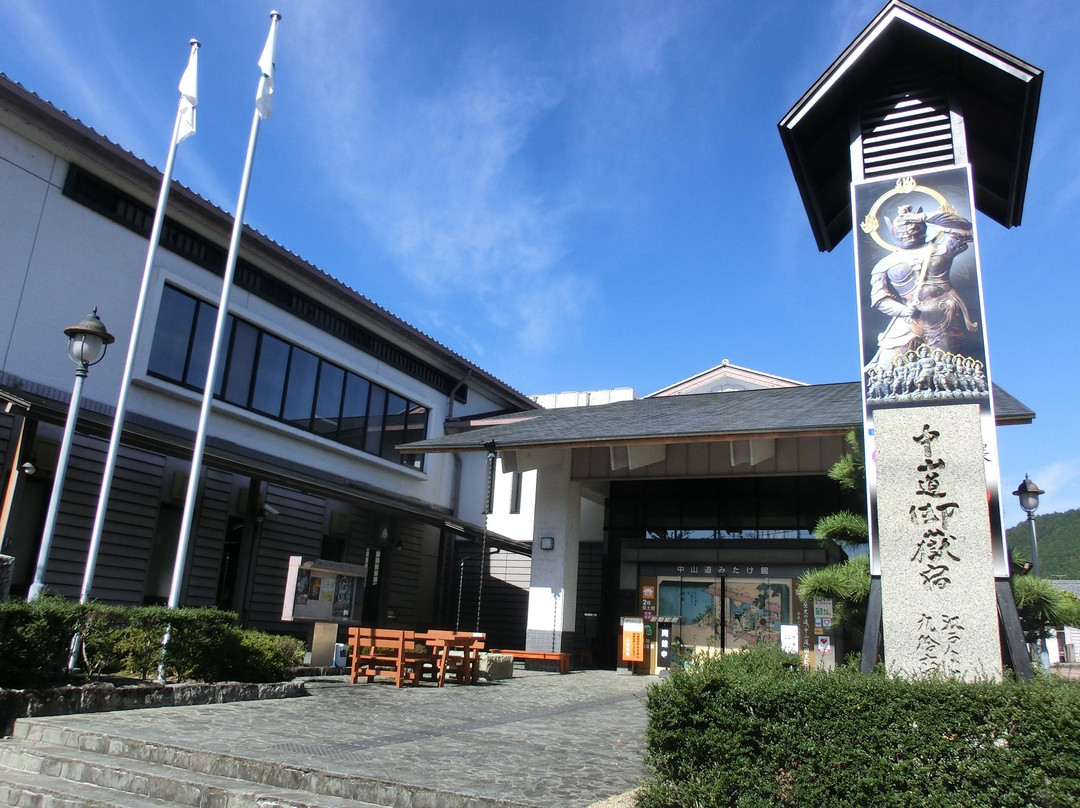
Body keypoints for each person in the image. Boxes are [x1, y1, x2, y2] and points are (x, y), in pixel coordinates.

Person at [867, 204, 978, 372]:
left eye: (914, 228)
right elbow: (880, 299)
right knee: (886, 366)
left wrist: (924, 216)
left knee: (943, 365)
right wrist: (902, 310)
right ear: (892, 232)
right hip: (908, 316)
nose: (908, 233)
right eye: (902, 231)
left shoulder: (940, 249)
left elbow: (963, 228)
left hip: (944, 310)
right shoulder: (884, 264)